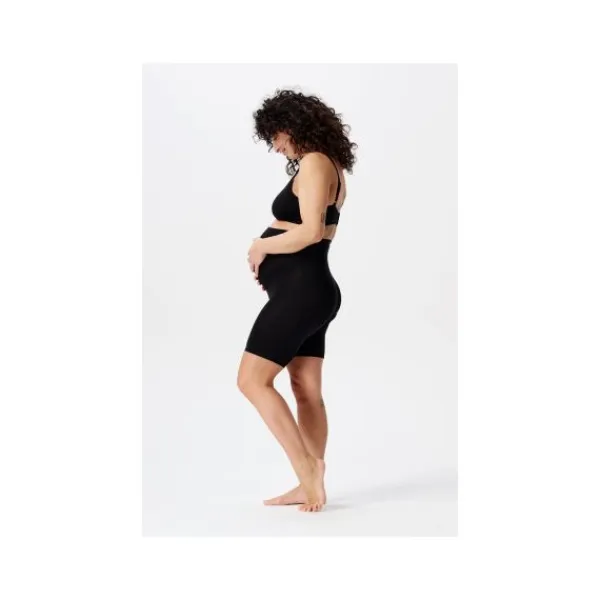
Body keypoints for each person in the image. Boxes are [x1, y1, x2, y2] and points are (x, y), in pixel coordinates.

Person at [237, 89, 357, 512]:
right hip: (309, 290)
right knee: (305, 388)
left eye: (275, 136)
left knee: (251, 381)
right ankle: (310, 480)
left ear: (291, 126)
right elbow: (316, 230)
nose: (275, 146)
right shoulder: (328, 164)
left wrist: (261, 246)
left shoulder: (315, 162)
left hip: (304, 292)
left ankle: (307, 469)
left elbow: (310, 232)